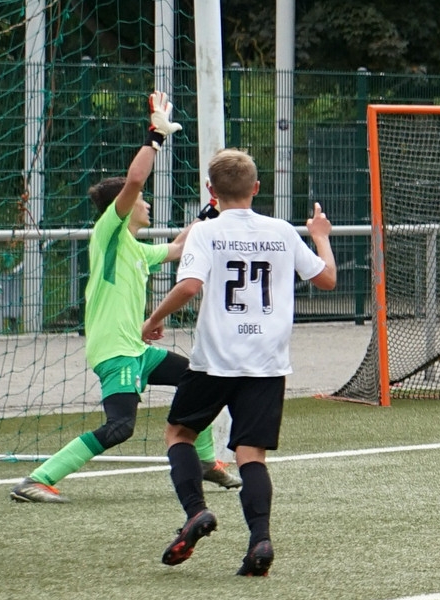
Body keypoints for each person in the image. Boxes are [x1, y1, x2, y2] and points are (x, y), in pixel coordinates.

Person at [9, 91, 240, 504]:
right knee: (120, 428)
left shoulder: (135, 247)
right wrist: (155, 137)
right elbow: (135, 181)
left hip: (136, 348)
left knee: (199, 380)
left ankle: (205, 462)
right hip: (115, 352)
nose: (147, 203)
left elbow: (179, 246)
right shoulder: (109, 234)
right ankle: (36, 480)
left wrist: (212, 208)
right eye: (141, 201)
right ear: (125, 206)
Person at [141, 148, 337, 577]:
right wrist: (319, 234)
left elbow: (191, 286)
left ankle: (196, 511)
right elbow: (326, 279)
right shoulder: (282, 231)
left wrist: (153, 319)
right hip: (267, 362)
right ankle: (259, 541)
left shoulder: (205, 232)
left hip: (215, 359)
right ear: (256, 188)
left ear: (211, 190)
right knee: (251, 455)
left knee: (179, 433)